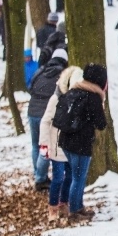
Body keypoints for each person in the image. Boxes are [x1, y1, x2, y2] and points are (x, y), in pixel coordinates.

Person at [58, 63, 108, 222]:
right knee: (79, 178)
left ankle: (77, 206)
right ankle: (75, 210)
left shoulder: (73, 91)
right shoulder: (93, 97)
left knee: (74, 175)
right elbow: (101, 124)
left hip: (66, 140)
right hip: (81, 143)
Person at [39, 66, 83, 221]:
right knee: (58, 178)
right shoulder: (56, 99)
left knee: (70, 177)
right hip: (56, 146)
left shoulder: (77, 99)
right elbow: (45, 121)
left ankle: (64, 203)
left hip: (71, 147)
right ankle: (52, 208)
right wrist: (44, 144)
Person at [28, 49, 69, 191]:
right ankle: (40, 179)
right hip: (47, 114)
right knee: (46, 147)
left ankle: (39, 174)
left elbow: (30, 87)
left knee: (36, 145)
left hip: (32, 111)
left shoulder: (40, 71)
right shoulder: (63, 75)